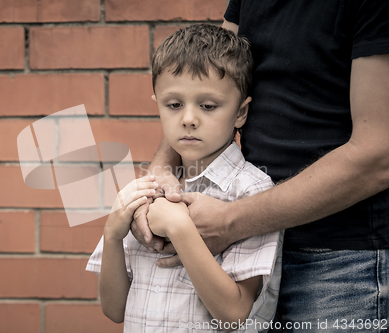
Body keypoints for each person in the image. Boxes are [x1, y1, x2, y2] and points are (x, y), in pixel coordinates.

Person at [131, 1, 389, 331]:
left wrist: (229, 221)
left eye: (206, 108)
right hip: (245, 243)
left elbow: (378, 154)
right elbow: (210, 75)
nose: (190, 117)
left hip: (338, 259)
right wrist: (160, 171)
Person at [87, 24, 282, 332]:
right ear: (158, 106)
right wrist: (112, 234)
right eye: (174, 105)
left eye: (208, 106)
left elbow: (234, 315)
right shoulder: (145, 190)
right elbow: (114, 310)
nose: (189, 119)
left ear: (241, 113)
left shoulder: (252, 191)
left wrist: (180, 227)